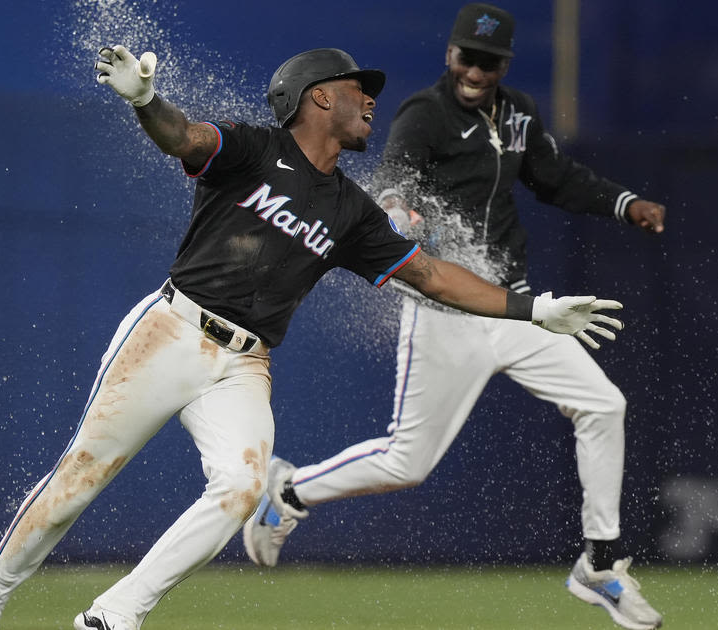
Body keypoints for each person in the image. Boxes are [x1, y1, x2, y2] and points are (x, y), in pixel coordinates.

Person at [0, 42, 626, 630]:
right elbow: (185, 137)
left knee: (242, 489)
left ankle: (118, 611)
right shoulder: (254, 148)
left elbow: (432, 277)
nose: (370, 102)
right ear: (318, 96)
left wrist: (533, 310)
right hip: (173, 329)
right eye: (359, 90)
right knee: (79, 480)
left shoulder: (351, 211)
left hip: (245, 364)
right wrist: (146, 101)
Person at [241, 5, 666, 630]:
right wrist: (397, 207)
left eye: (488, 61)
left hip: (520, 308)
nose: (475, 69)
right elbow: (394, 178)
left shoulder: (516, 112)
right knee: (406, 464)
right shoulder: (426, 114)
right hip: (448, 309)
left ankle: (598, 565)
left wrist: (623, 202)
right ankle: (289, 491)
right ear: (450, 54)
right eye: (466, 55)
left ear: (505, 66)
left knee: (604, 406)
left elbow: (555, 177)